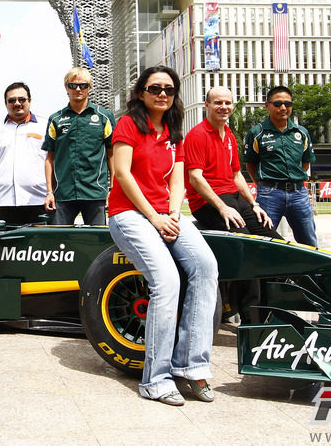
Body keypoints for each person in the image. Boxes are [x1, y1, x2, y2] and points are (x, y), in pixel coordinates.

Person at [107, 65, 218, 406]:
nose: (162, 94)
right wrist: (155, 218)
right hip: (128, 214)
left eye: (169, 89)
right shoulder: (128, 124)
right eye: (155, 88)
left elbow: (177, 180)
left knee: (206, 266)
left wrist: (172, 213)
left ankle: (191, 366)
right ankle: (156, 379)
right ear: (141, 93)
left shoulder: (174, 131)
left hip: (165, 214)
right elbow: (122, 174)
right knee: (167, 281)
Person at [183, 86, 279, 325]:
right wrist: (222, 208)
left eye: (227, 103)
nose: (223, 107)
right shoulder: (197, 135)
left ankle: (273, 307)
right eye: (218, 103)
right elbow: (195, 177)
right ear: (207, 105)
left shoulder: (229, 134)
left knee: (274, 241)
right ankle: (251, 318)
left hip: (233, 197)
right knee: (246, 247)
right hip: (208, 202)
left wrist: (254, 204)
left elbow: (237, 175)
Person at [244, 85, 318, 247]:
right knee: (263, 240)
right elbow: (250, 164)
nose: (283, 108)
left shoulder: (301, 132)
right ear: (267, 105)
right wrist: (262, 185)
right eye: (277, 104)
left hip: (299, 194)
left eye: (288, 104)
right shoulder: (257, 133)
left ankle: (313, 272)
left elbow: (305, 162)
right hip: (269, 194)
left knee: (309, 240)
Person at [42, 67, 115, 226]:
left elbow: (112, 155)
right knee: (58, 243)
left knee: (97, 242)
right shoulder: (56, 118)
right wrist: (49, 192)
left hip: (95, 193)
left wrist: (113, 189)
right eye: (72, 85)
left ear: (90, 87)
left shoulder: (104, 117)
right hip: (63, 193)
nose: (78, 89)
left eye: (83, 85)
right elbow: (50, 158)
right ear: (66, 87)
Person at [0, 82, 48, 225]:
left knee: (39, 246)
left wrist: (51, 193)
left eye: (21, 99)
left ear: (30, 101)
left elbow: (53, 161)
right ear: (6, 103)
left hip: (39, 200)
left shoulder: (45, 126)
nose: (17, 103)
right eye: (11, 100)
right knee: (6, 246)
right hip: (5, 202)